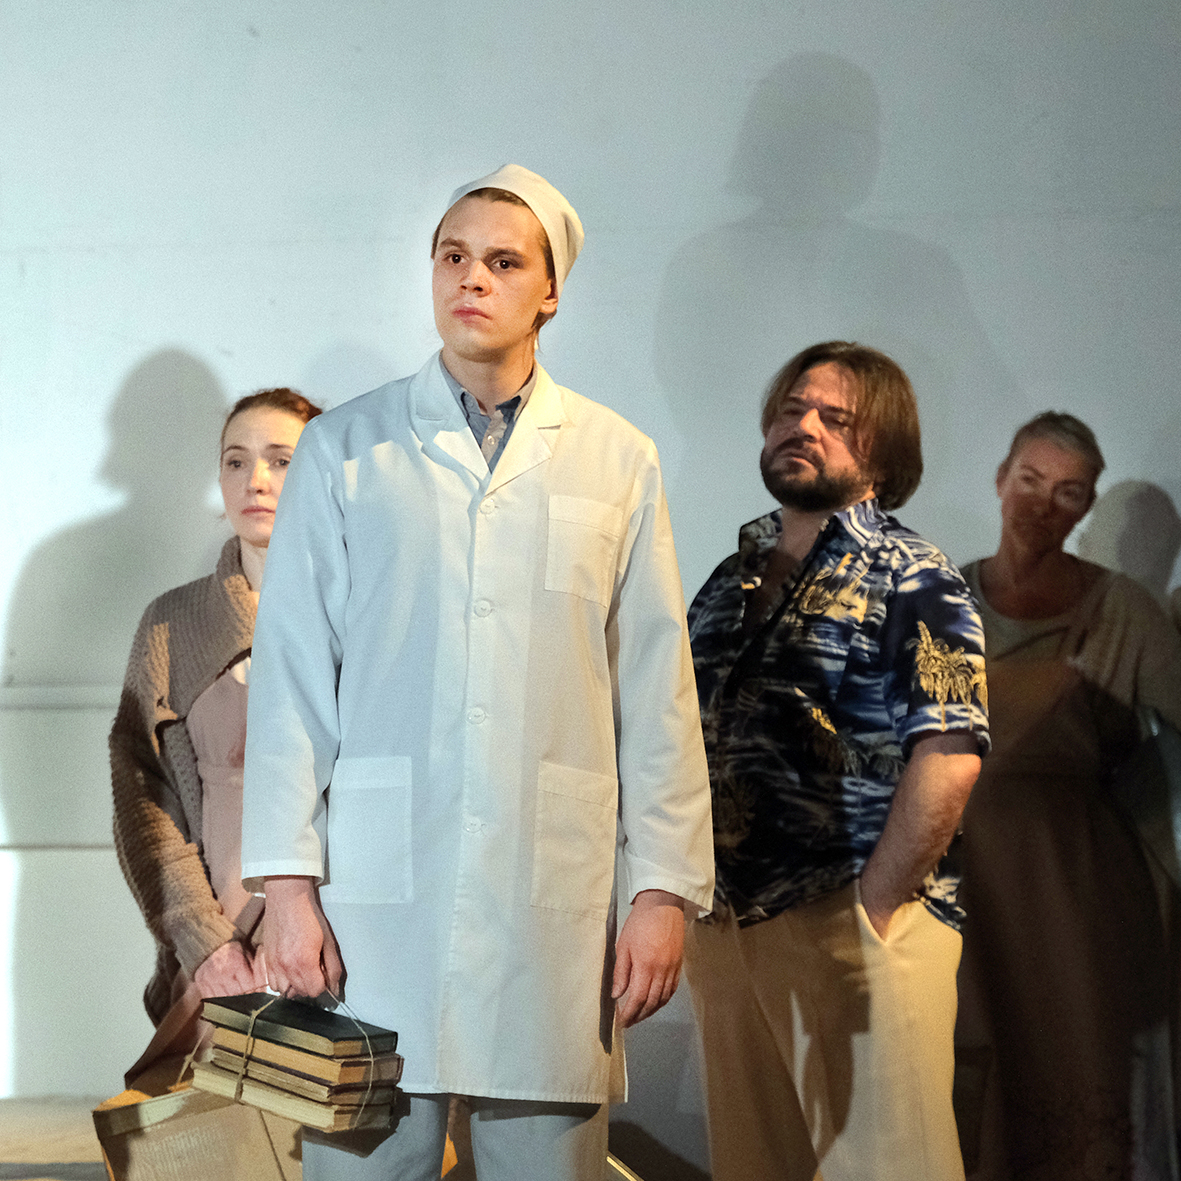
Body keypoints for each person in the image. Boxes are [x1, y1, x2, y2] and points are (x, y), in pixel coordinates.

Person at [240, 164, 715, 1181]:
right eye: (452, 256)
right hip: (374, 899)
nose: (471, 278)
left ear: (550, 292)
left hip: (550, 904)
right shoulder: (343, 448)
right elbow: (290, 680)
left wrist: (662, 890)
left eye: (503, 261)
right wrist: (287, 887)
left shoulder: (615, 458)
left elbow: (656, 690)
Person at [684, 340, 989, 1181]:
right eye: (790, 410)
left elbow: (950, 755)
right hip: (726, 925)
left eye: (834, 418)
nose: (803, 426)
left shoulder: (914, 573)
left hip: (854, 920)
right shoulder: (727, 581)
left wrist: (874, 908)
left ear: (881, 455)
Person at [953, 412, 1181, 1180]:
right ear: (1000, 479)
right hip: (958, 884)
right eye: (1029, 479)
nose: (1041, 503)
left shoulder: (1124, 610)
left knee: (1072, 1067)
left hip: (1073, 892)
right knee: (964, 1077)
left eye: (1067, 491)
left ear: (1084, 506)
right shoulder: (940, 599)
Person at [110, 387, 322, 1078]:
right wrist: (206, 943)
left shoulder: (369, 612)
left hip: (342, 940)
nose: (255, 480)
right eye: (236, 460)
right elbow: (144, 800)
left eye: (281, 460)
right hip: (220, 946)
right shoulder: (173, 622)